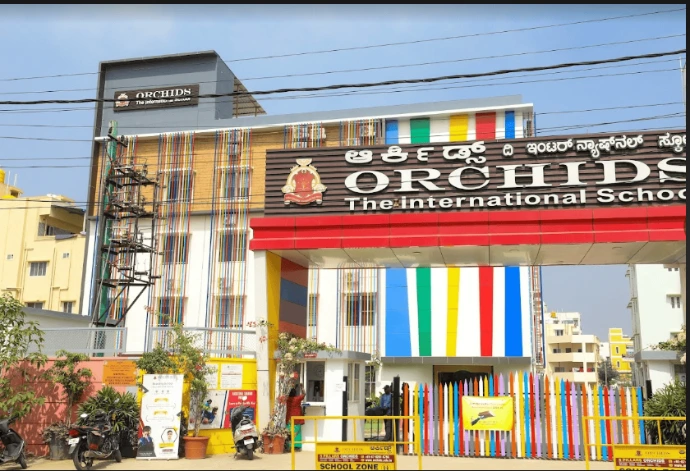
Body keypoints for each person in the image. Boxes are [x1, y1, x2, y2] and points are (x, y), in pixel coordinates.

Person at [286, 383, 305, 451]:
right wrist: (302, 387)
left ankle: (290, 446)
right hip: (297, 418)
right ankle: (297, 446)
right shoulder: (297, 399)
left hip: (289, 418)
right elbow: (304, 394)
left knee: (289, 432)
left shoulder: (287, 399)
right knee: (297, 432)